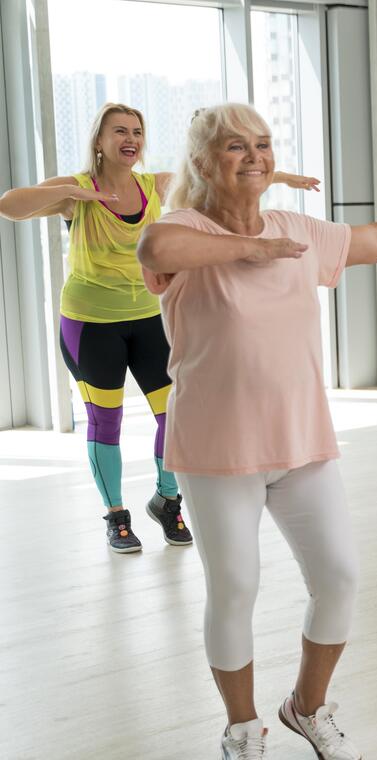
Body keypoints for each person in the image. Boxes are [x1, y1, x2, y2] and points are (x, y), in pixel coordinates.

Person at [137, 103, 377, 759]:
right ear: (204, 160)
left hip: (302, 442)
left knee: (338, 579)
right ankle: (242, 728)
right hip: (217, 450)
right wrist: (252, 248)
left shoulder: (296, 227)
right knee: (235, 587)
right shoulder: (183, 229)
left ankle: (306, 707)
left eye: (263, 144)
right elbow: (156, 249)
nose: (254, 156)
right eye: (236, 146)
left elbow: (371, 240)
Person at [0, 103, 317, 553]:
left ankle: (167, 500)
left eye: (137, 131)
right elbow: (9, 206)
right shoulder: (77, 189)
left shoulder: (155, 186)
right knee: (104, 421)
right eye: (119, 131)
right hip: (92, 326)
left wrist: (284, 179)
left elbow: (217, 179)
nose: (131, 138)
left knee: (175, 414)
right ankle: (116, 516)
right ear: (100, 141)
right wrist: (78, 196)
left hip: (150, 319)